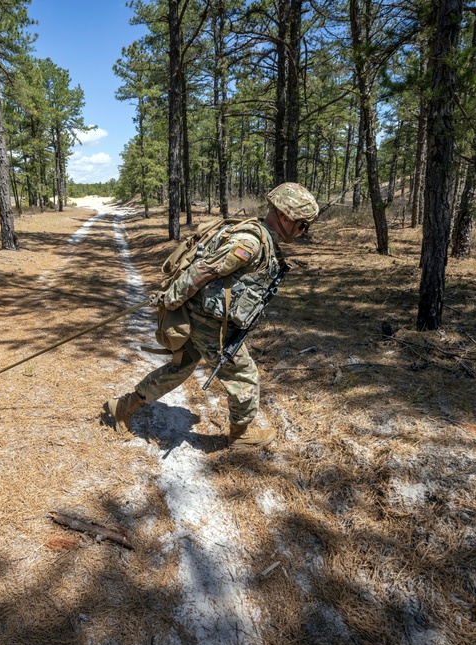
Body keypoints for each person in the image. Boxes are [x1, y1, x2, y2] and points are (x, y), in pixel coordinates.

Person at [105, 182, 318, 449]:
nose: (302, 232)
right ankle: (241, 435)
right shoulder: (249, 242)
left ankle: (123, 407)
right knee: (243, 375)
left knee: (179, 368)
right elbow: (205, 269)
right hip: (209, 324)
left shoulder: (260, 238)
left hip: (206, 318)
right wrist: (171, 299)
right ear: (286, 217)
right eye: (302, 225)